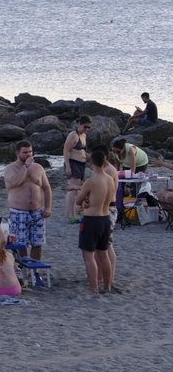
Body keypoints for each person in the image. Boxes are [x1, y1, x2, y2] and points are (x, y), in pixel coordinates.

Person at [1, 141, 52, 262]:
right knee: (20, 243)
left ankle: (35, 271)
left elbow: (46, 188)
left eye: (30, 151)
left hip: (37, 211)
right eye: (25, 152)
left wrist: (48, 207)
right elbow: (14, 183)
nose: (28, 155)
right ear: (17, 153)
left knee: (37, 243)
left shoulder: (38, 168)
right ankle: (23, 270)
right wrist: (26, 167)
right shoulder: (10, 168)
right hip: (19, 212)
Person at [75, 148, 117, 295]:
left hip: (92, 220)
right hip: (106, 219)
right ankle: (107, 286)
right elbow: (106, 199)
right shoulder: (110, 179)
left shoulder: (91, 181)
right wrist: (89, 200)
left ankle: (93, 288)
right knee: (103, 255)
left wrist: (84, 200)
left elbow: (78, 200)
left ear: (91, 163)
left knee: (89, 256)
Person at [63, 117, 91, 220]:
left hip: (81, 164)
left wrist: (90, 158)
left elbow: (82, 151)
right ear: (79, 124)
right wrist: (68, 167)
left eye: (88, 127)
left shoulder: (83, 136)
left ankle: (72, 213)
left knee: (77, 188)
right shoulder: (73, 135)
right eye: (85, 127)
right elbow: (66, 150)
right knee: (72, 189)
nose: (86, 129)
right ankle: (71, 215)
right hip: (73, 163)